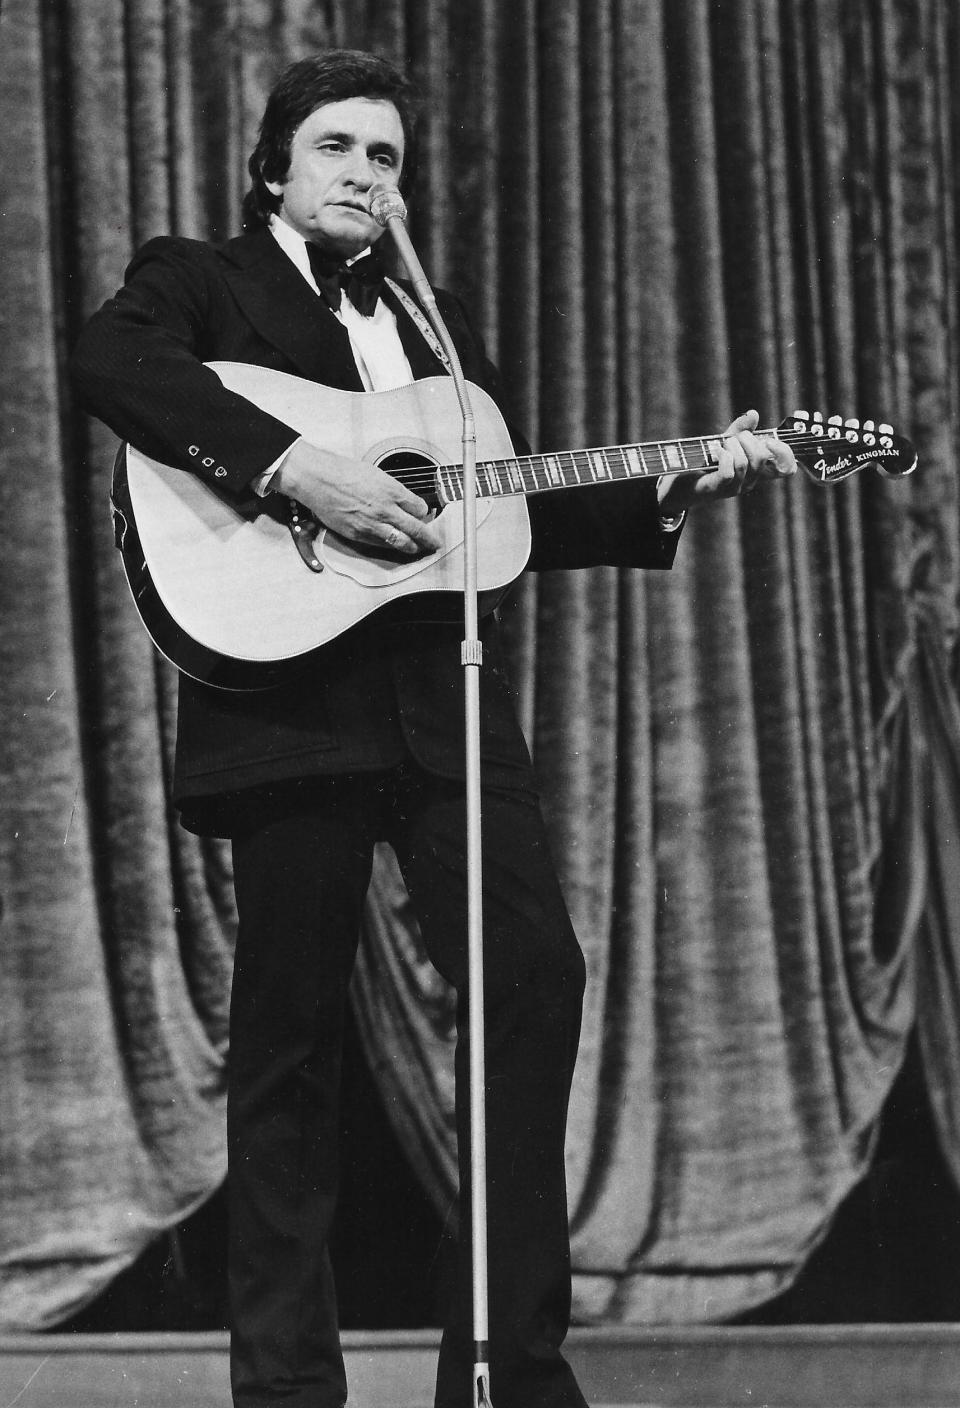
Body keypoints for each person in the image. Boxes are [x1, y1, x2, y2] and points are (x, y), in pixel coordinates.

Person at [72, 48, 796, 1408]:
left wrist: (678, 486)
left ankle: (508, 1370)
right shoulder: (199, 279)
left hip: (444, 702)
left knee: (536, 976)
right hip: (285, 702)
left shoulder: (440, 332)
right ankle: (288, 1392)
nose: (364, 174)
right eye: (338, 148)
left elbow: (494, 518)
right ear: (272, 170)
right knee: (292, 1044)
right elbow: (111, 360)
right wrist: (298, 469)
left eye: (387, 158)